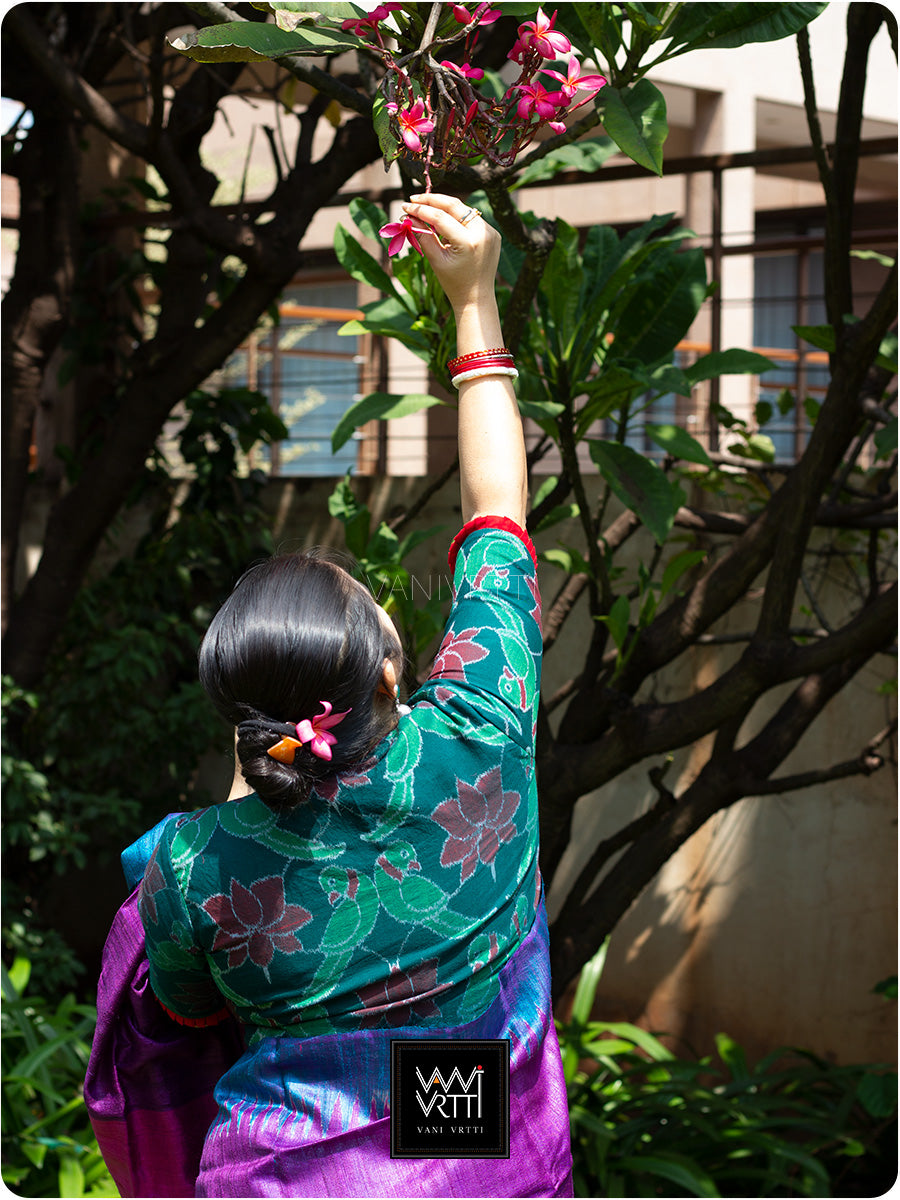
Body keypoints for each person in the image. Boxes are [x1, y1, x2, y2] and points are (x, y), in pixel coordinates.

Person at [85, 194, 574, 1198]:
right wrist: (473, 297)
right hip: (482, 1159)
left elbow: (182, 1018)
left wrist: (247, 783)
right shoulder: (484, 724)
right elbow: (497, 509)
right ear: (388, 667)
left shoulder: (191, 867)